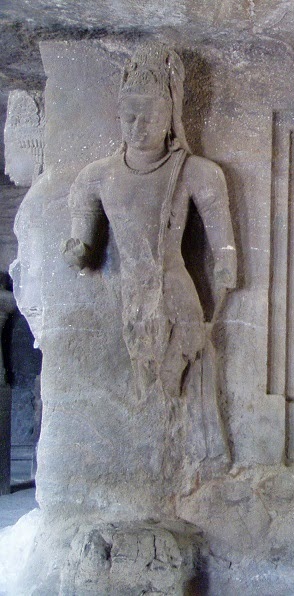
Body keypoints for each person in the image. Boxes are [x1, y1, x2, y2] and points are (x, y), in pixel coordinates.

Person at [62, 43, 236, 477]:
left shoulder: (199, 172)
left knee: (187, 381)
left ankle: (198, 467)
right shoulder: (96, 177)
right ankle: (146, 469)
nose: (139, 127)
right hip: (131, 296)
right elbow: (82, 247)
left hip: (176, 292)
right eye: (130, 117)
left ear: (171, 117)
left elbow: (225, 250)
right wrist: (76, 253)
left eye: (151, 117)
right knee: (142, 387)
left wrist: (227, 271)